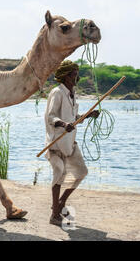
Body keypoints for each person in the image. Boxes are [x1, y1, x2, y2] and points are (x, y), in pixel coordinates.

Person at [44, 60, 99, 226]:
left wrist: (88, 116)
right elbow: (51, 117)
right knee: (59, 173)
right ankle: (54, 215)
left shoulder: (72, 94)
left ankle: (59, 203)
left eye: (76, 73)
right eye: (74, 74)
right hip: (56, 143)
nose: (77, 77)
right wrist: (63, 124)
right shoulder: (57, 93)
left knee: (81, 172)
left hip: (69, 142)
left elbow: (73, 119)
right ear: (66, 76)